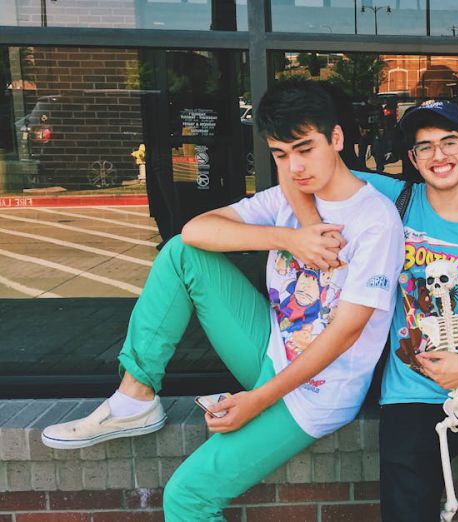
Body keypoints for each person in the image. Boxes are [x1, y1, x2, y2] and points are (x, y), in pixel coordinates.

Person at [41, 79, 405, 521]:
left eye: (305, 149)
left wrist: (258, 400)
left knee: (187, 498)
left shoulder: (375, 220)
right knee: (181, 254)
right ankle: (135, 396)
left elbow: (347, 332)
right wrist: (288, 237)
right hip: (269, 349)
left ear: (336, 139)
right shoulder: (288, 199)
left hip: (318, 391)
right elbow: (194, 231)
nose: (294, 167)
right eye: (280, 154)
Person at [283, 100, 458, 522]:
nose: (439, 156)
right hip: (410, 395)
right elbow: (300, 175)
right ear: (413, 159)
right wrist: (311, 233)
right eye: (425, 147)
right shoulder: (391, 200)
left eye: (449, 142)